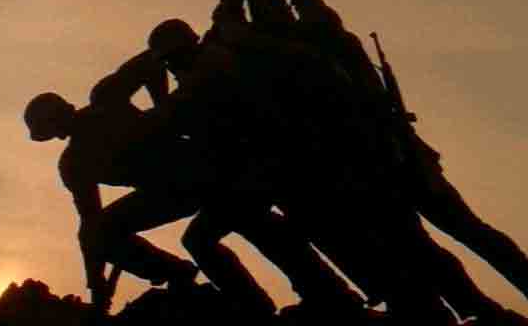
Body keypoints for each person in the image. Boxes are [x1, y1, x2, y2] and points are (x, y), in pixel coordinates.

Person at [260, 0, 528, 324]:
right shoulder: (312, 51)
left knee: (464, 233)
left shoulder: (320, 49)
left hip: (397, 159)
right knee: (435, 246)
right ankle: (489, 306)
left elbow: (301, 21)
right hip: (378, 169)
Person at [148, 16, 463, 325]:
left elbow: (177, 113)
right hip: (269, 168)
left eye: (170, 60)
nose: (170, 67)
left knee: (316, 234)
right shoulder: (212, 64)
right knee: (301, 231)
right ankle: (338, 295)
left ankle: (342, 297)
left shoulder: (212, 68)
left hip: (274, 166)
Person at [24, 48, 357, 318]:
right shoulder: (74, 163)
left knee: (238, 227)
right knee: (206, 235)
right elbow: (92, 224)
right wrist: (96, 283)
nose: (60, 124)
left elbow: (152, 61)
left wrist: (163, 111)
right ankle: (191, 280)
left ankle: (323, 294)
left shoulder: (106, 100)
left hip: (203, 168)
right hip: (171, 192)